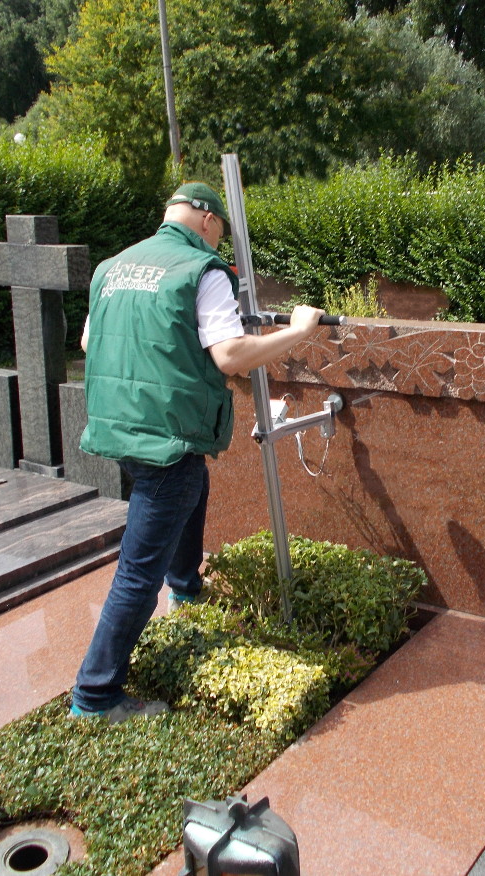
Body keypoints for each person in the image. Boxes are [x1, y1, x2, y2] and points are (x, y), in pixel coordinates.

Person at [70, 182, 324, 723]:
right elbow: (231, 356)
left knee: (192, 486)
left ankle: (185, 589)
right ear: (207, 221)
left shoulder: (112, 267)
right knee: (138, 570)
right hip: (167, 435)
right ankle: (95, 694)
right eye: (220, 234)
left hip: (121, 427)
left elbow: (91, 343)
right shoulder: (201, 271)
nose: (218, 244)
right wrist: (299, 330)